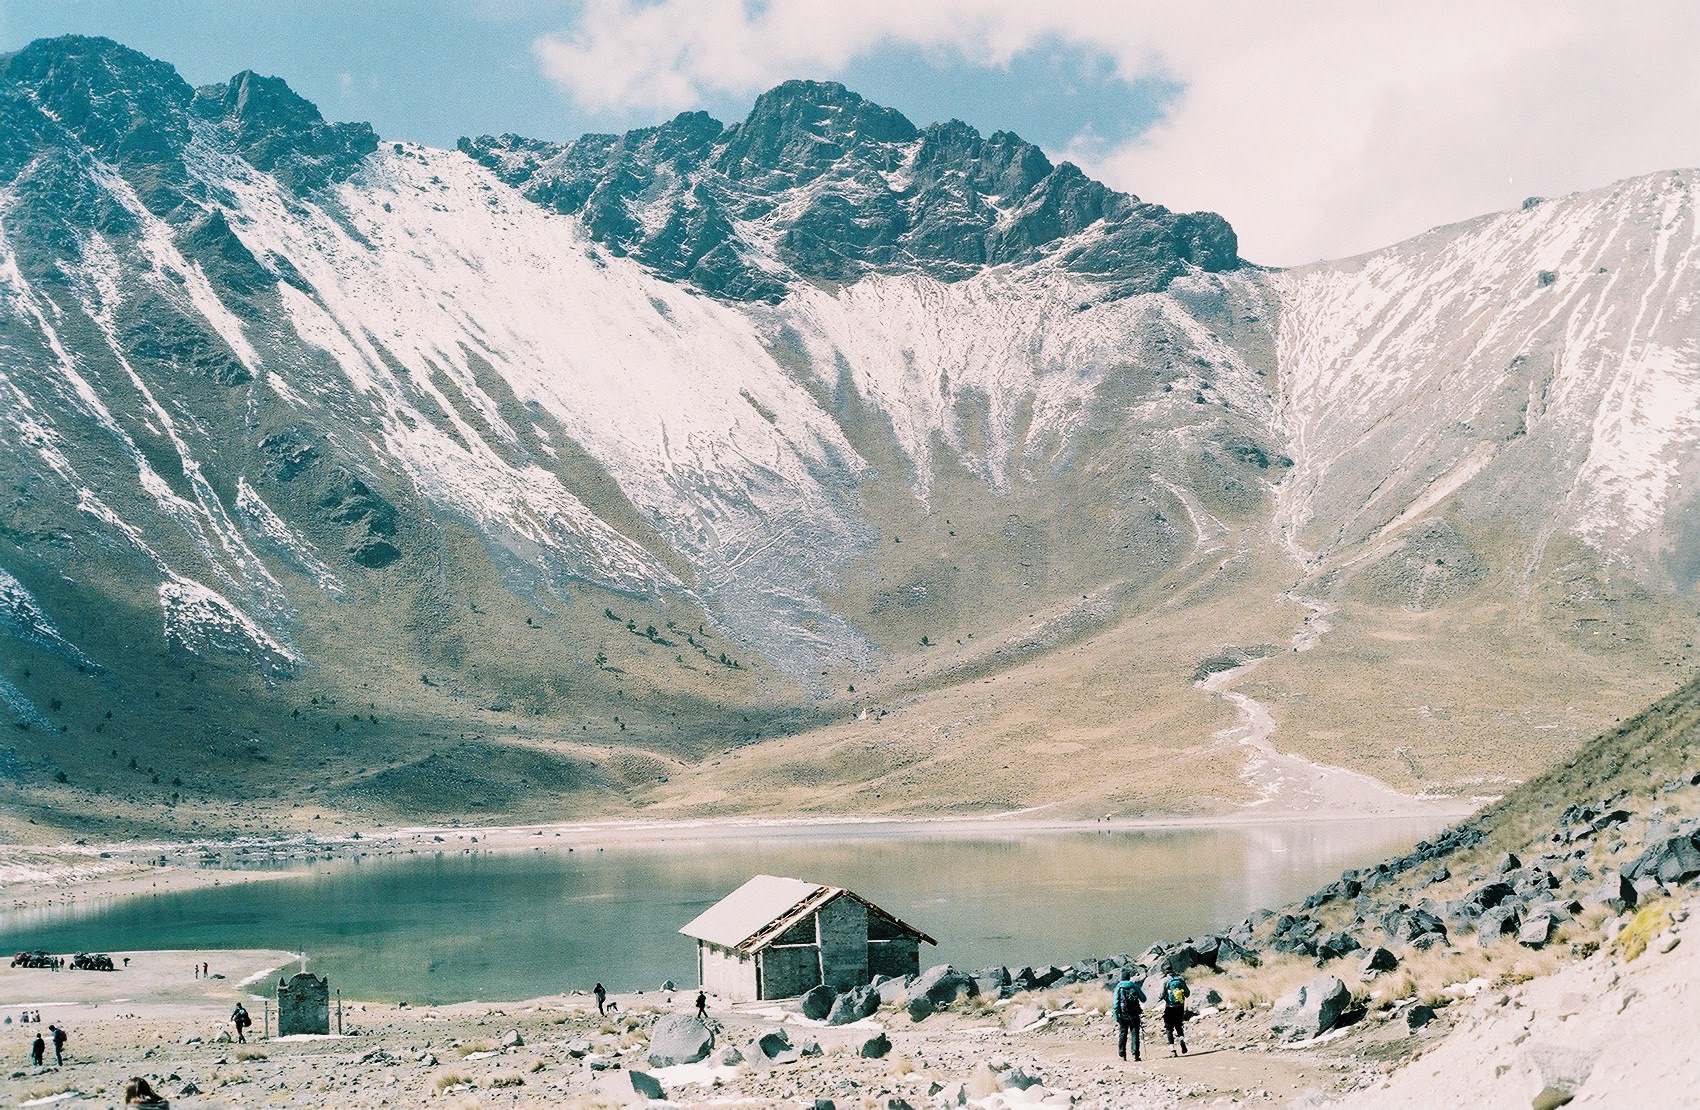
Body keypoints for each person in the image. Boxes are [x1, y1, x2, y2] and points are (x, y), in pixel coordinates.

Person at [1112, 970, 1144, 1061]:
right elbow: (1143, 999)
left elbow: (1115, 1003)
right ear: (1129, 978)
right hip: (1134, 1014)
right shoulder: (1134, 986)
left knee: (1123, 1034)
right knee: (1135, 1034)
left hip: (1123, 1015)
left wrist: (1116, 1016)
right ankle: (1135, 1055)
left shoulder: (1119, 987)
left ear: (1121, 978)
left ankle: (1122, 1055)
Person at [1161, 969, 1190, 1056]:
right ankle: (1181, 1040)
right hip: (1180, 1007)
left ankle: (1173, 1050)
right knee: (1179, 1026)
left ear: (1165, 972)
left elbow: (1161, 995)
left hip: (1170, 1007)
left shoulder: (1165, 980)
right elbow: (1187, 993)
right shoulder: (1180, 979)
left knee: (1169, 1028)